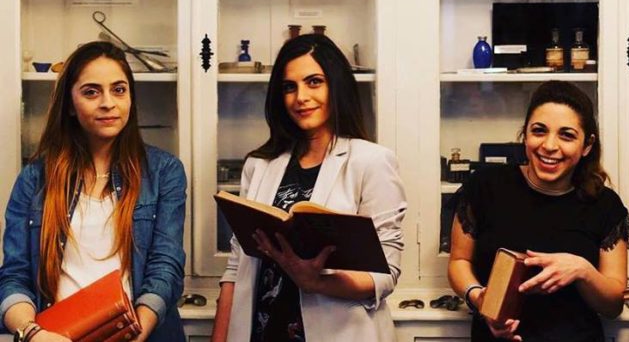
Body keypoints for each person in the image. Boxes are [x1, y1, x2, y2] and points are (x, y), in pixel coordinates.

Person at [210, 34, 406, 342]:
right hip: (262, 332)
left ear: (336, 86)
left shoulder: (372, 161)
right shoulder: (259, 164)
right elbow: (236, 267)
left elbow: (385, 273)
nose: (300, 97)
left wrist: (315, 282)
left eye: (314, 82)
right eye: (290, 87)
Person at [0, 41, 187, 342]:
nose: (108, 103)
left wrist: (138, 330)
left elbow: (166, 266)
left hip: (138, 333)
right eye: (91, 92)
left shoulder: (164, 172)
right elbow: (14, 276)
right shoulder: (34, 179)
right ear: (70, 105)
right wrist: (33, 333)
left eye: (119, 90)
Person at [448, 80, 629, 341]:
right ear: (525, 134)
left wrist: (582, 270)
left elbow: (613, 304)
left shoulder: (604, 205)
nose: (549, 145)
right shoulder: (486, 186)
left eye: (566, 135)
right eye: (539, 131)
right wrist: (478, 297)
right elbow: (459, 261)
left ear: (587, 145)